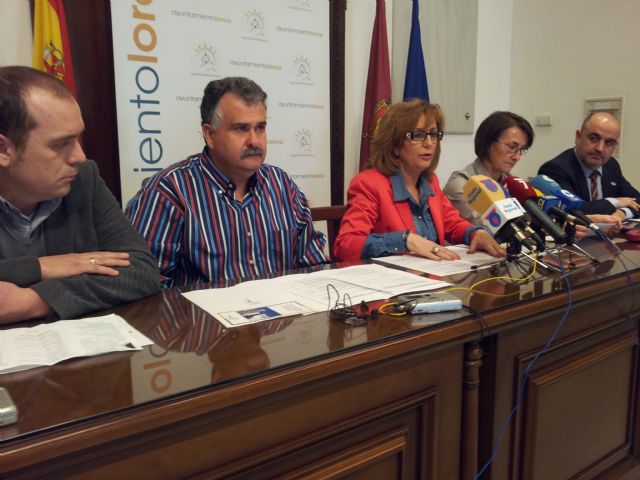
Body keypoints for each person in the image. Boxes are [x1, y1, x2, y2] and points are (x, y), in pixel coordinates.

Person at [126, 77, 328, 288]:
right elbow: (143, 287)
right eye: (241, 128)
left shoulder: (282, 185)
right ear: (210, 135)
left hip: (281, 308)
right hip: (200, 310)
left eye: (260, 128)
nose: (255, 141)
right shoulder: (168, 191)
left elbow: (313, 268)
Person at [0, 66, 160, 325]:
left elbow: (142, 271)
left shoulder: (83, 179)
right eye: (61, 144)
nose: (79, 157)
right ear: (3, 149)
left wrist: (36, 300)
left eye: (77, 140)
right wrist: (41, 267)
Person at [334, 99, 505, 262]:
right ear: (394, 145)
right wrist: (405, 240)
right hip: (392, 279)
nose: (429, 143)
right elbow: (346, 245)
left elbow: (451, 223)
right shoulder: (368, 184)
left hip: (431, 276)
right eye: (417, 135)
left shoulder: (430, 181)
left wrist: (476, 233)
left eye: (433, 134)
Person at [538, 111, 640, 219]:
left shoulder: (611, 165)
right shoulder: (555, 169)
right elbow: (575, 211)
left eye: (609, 142)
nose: (600, 148)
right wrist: (615, 202)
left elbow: (636, 199)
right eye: (594, 138)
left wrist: (622, 213)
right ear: (578, 137)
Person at [443, 111, 534, 225]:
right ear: (488, 142)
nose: (517, 157)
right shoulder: (463, 184)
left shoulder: (511, 183)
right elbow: (488, 226)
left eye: (522, 150)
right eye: (512, 147)